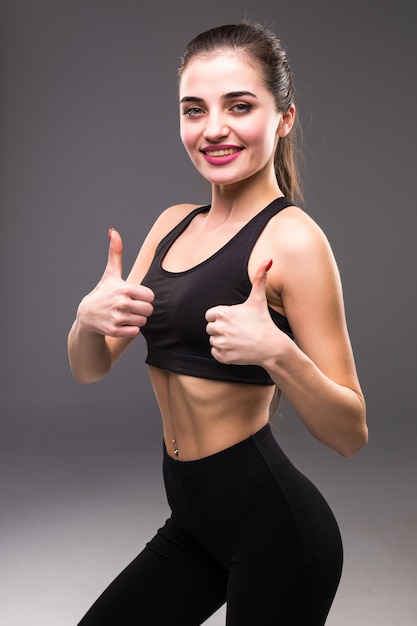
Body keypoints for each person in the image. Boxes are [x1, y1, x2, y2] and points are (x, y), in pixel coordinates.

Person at [68, 21, 367, 626]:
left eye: (239, 106)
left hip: (277, 534)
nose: (214, 129)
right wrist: (85, 319)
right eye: (194, 109)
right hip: (194, 524)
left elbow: (349, 433)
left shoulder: (295, 240)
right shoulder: (173, 222)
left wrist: (277, 354)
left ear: (284, 118)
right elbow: (91, 367)